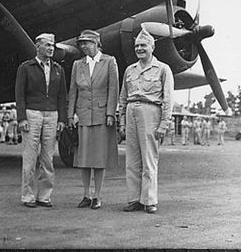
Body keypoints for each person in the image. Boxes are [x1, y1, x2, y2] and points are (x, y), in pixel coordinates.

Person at [119, 27, 174, 214]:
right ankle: (134, 199)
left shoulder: (163, 69)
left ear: (152, 47)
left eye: (143, 45)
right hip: (130, 111)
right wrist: (122, 123)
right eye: (137, 46)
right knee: (132, 160)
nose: (139, 48)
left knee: (149, 159)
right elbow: (123, 97)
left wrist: (163, 124)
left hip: (151, 112)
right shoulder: (129, 70)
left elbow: (168, 99)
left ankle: (149, 200)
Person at [68, 29, 119, 210]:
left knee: (98, 158)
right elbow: (73, 91)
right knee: (83, 158)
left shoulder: (109, 62)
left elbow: (113, 89)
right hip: (82, 115)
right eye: (81, 43)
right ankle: (85, 195)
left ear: (97, 43)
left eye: (87, 43)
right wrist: (70, 114)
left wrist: (111, 113)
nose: (83, 46)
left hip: (101, 115)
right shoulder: (77, 65)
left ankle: (97, 195)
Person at [15, 33, 67, 208]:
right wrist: (22, 118)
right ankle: (28, 196)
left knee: (47, 158)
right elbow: (19, 94)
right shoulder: (26, 67)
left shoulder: (59, 69)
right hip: (32, 114)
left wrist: (62, 118)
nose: (51, 48)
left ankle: (44, 196)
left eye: (52, 45)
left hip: (52, 115)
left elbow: (62, 96)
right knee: (29, 158)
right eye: (47, 45)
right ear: (37, 46)